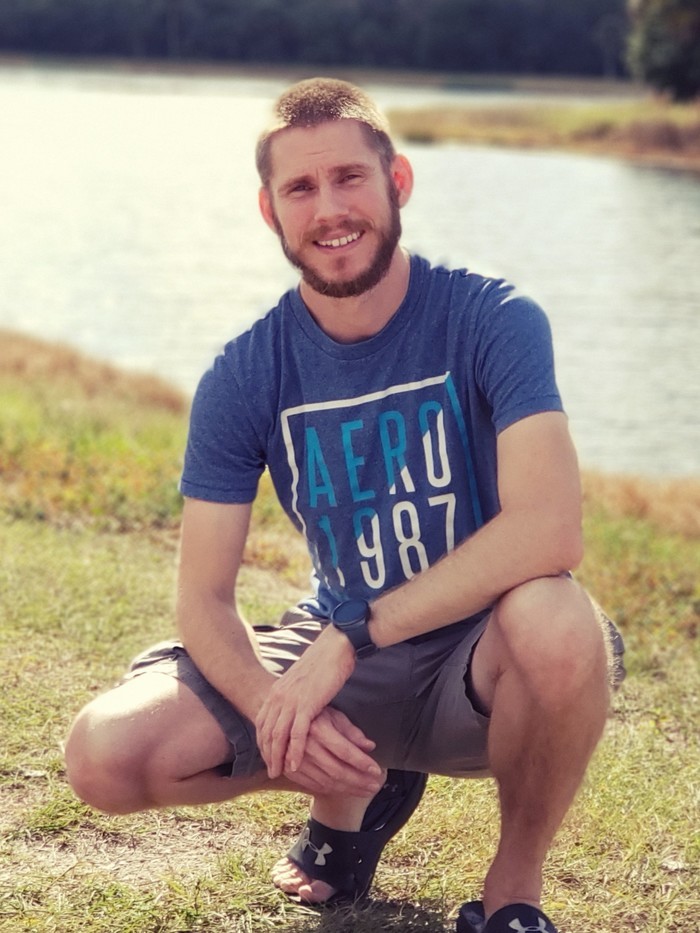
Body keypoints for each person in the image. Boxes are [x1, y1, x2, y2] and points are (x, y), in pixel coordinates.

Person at [64, 77, 624, 933]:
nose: (329, 209)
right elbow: (203, 598)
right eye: (300, 187)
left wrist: (353, 634)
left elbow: (550, 528)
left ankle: (512, 894)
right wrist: (274, 709)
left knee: (555, 616)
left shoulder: (492, 318)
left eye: (349, 178)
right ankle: (355, 790)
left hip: (483, 660)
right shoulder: (245, 374)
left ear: (397, 181)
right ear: (270, 211)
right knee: (103, 754)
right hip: (348, 669)